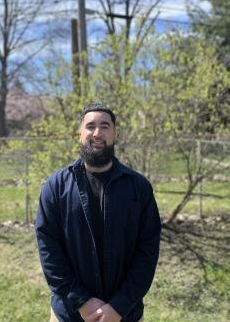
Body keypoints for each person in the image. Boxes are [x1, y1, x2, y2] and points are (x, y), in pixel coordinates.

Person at [35, 103, 161, 322]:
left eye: (105, 126)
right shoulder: (55, 186)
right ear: (80, 134)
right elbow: (49, 250)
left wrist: (119, 306)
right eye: (90, 126)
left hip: (125, 314)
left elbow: (147, 251)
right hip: (70, 313)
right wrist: (81, 301)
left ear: (115, 134)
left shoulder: (138, 187)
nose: (97, 133)